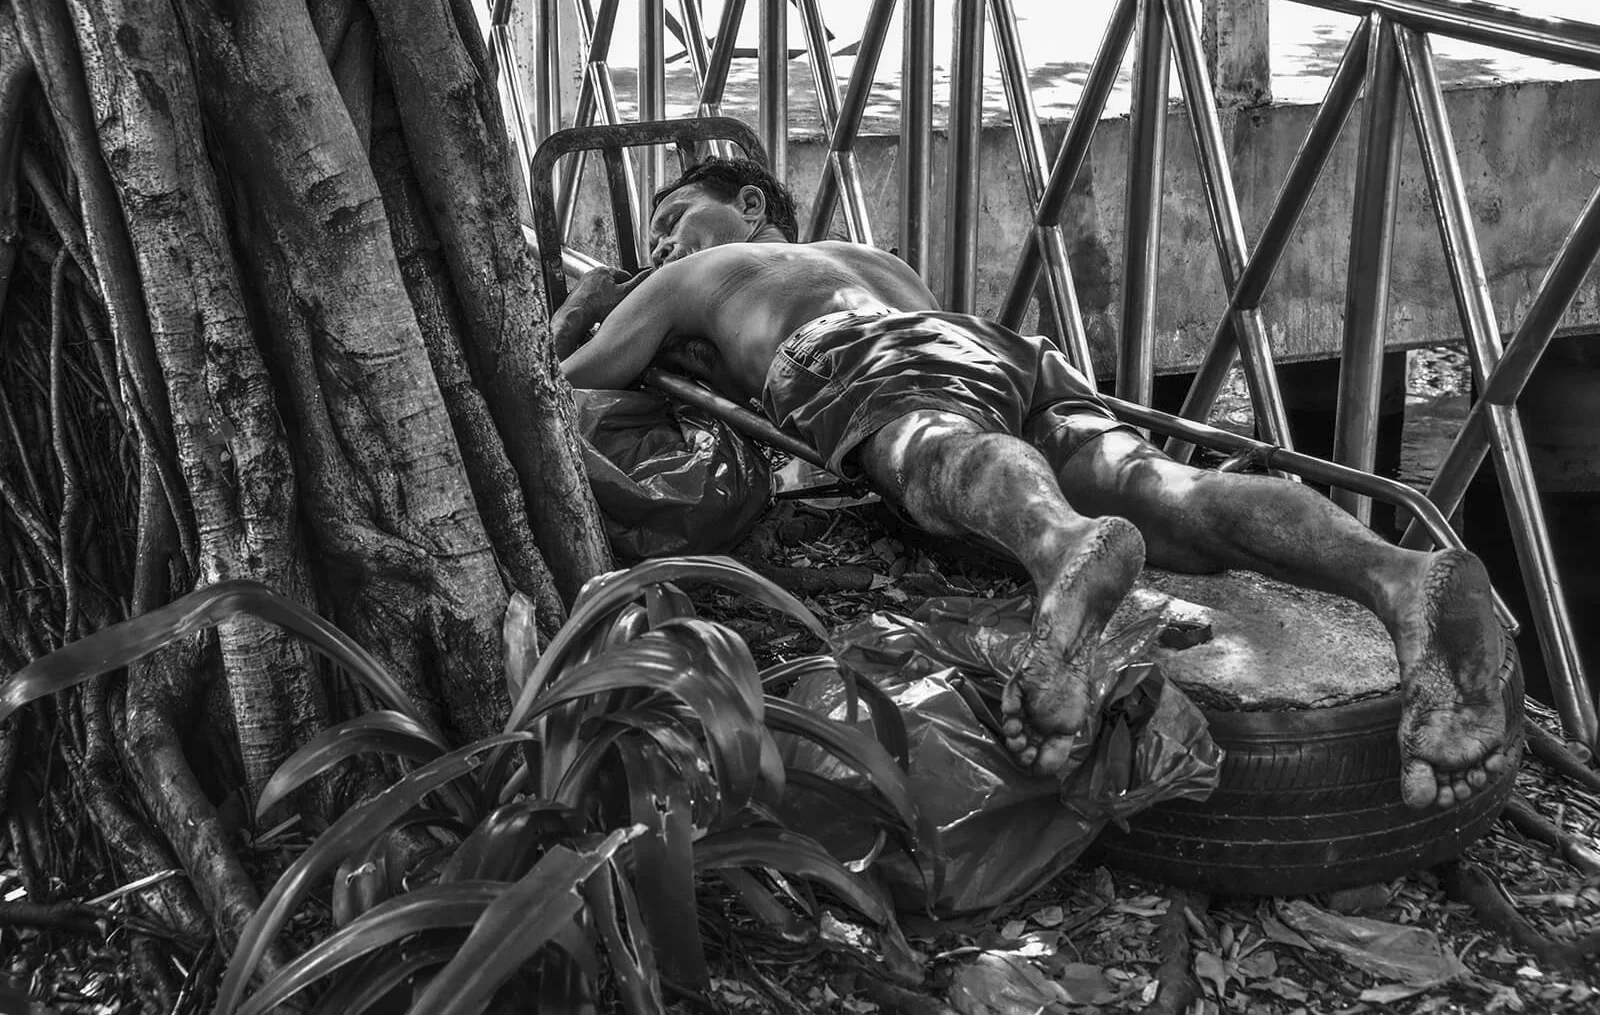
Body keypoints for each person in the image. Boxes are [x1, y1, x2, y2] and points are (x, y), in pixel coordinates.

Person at [558, 156, 1510, 812]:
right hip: (997, 347)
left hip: (863, 357)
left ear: (753, 209)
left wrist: (593, 301)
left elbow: (568, 381)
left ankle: (1060, 550)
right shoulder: (874, 260)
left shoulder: (708, 272)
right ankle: (1398, 574)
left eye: (671, 219)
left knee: (931, 455)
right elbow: (941, 351)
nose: (659, 245)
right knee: (1164, 489)